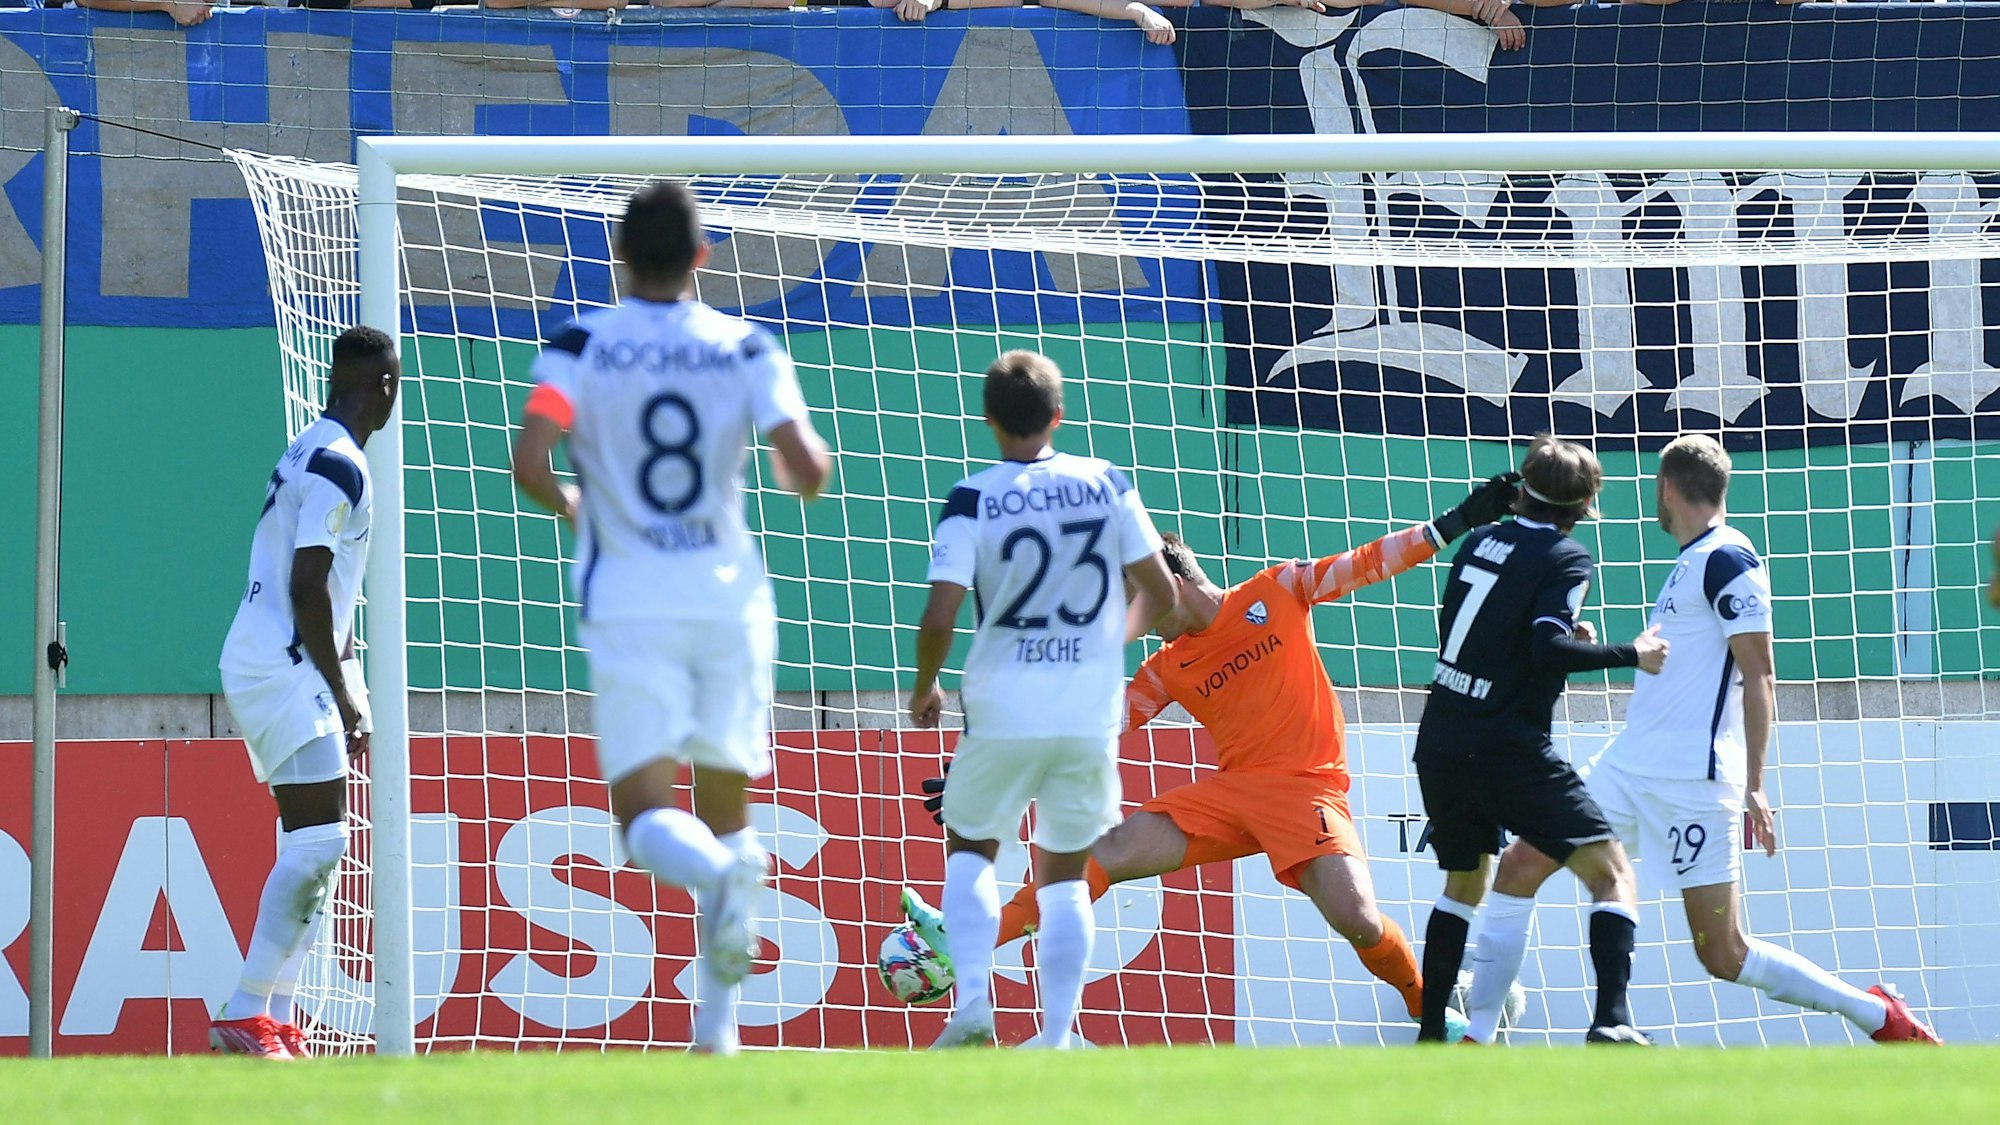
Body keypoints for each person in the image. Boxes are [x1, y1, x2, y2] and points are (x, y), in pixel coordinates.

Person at [908, 474, 1525, 1041]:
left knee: (1358, 919)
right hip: (1231, 795)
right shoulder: (1164, 669)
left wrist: (1460, 518)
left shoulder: (1278, 590)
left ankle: (1424, 1004)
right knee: (1101, 854)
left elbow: (1368, 564)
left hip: (1307, 790)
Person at [1468, 434, 1942, 1045]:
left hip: (1695, 784)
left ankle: (1878, 1015)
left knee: (1723, 953)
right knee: (1520, 864)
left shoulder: (1728, 559)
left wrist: (1755, 785)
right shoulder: (1689, 561)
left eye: (1655, 491)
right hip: (1627, 768)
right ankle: (1476, 1038)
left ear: (1667, 488)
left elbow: (1760, 672)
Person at [511, 181, 832, 1056]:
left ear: (620, 254)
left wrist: (576, 504)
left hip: (630, 598)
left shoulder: (580, 343)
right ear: (701, 256)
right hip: (728, 597)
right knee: (727, 806)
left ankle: (724, 907)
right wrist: (801, 467)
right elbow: (804, 463)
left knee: (648, 817)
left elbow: (530, 460)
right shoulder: (745, 345)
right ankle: (717, 1034)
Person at [907, 349, 1177, 1050]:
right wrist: (1101, 642)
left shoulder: (973, 496)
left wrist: (924, 685)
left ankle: (971, 1007)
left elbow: (939, 617)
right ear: (1058, 416)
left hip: (1001, 704)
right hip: (1086, 711)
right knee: (1062, 873)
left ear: (989, 418)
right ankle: (1057, 1038)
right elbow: (1164, 592)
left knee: (970, 849)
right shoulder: (1106, 482)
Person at [1411, 435, 1665, 1045]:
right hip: (1507, 748)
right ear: (1581, 508)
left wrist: (1558, 644)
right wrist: (1633, 652)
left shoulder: (1477, 541)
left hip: (1442, 735)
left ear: (1522, 490)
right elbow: (1544, 648)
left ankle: (1432, 1035)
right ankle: (1612, 1022)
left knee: (1463, 884)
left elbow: (1471, 640)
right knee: (1612, 875)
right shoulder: (1566, 557)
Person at [212, 325, 401, 1059]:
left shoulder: (308, 445)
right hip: (283, 665)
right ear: (383, 387)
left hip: (277, 660)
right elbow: (308, 586)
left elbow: (328, 595)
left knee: (316, 844)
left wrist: (344, 678)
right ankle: (246, 1006)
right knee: (323, 840)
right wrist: (345, 695)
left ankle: (277, 1017)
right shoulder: (340, 463)